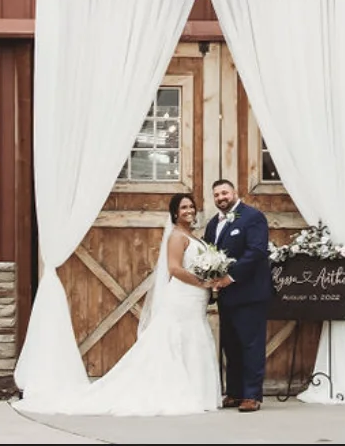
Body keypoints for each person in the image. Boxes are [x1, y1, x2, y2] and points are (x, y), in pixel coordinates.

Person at [55, 191, 224, 415]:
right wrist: (202, 282)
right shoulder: (176, 236)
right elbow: (174, 269)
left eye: (191, 207)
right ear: (175, 213)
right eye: (184, 207)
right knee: (179, 338)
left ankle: (197, 392)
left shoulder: (193, 236)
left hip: (196, 299)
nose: (189, 211)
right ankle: (175, 392)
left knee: (194, 339)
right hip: (183, 296)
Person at [205, 176, 271, 411]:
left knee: (251, 345)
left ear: (234, 193)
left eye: (225, 193)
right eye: (216, 195)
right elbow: (208, 253)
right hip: (226, 296)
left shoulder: (253, 217)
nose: (221, 198)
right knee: (231, 346)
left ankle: (252, 396)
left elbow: (256, 251)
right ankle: (234, 392)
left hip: (250, 294)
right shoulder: (213, 224)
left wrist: (230, 277)